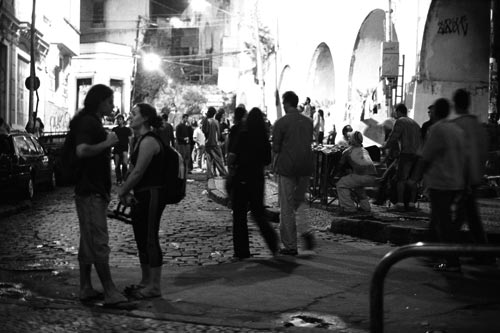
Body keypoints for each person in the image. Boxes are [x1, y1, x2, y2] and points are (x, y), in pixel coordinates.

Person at [70, 84, 128, 306]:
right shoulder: (89, 122)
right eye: (110, 101)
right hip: (90, 191)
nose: (112, 106)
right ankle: (110, 291)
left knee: (88, 241)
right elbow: (82, 150)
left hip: (92, 190)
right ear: (100, 101)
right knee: (98, 241)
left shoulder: (90, 121)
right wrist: (108, 142)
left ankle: (86, 287)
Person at [117, 103, 167, 298]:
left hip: (153, 194)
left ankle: (155, 286)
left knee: (150, 238)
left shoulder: (149, 141)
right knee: (140, 238)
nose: (130, 116)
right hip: (141, 195)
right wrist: (128, 192)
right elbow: (132, 168)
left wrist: (123, 189)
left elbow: (138, 171)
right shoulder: (138, 140)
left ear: (145, 118)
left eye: (134, 113)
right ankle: (145, 281)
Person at [227, 107, 278, 259]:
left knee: (240, 215)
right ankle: (272, 240)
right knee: (258, 213)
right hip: (257, 179)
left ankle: (242, 251)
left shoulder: (243, 134)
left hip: (242, 178)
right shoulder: (263, 138)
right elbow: (267, 160)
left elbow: (231, 156)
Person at [421, 98, 465, 272]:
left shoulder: (437, 129)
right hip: (456, 180)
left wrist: (417, 177)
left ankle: (451, 261)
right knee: (440, 219)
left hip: (441, 181)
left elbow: (427, 155)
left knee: (443, 221)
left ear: (437, 112)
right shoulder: (456, 128)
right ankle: (434, 252)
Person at [449, 89, 492, 263]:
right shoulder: (478, 127)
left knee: (456, 218)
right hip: (473, 177)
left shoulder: (457, 125)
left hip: (461, 178)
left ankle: (449, 257)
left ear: (455, 104)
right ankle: (484, 254)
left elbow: (458, 155)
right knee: (471, 216)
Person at [273, 91, 315, 255]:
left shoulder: (281, 123)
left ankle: (290, 245)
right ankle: (306, 231)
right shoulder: (308, 121)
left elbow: (276, 148)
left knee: (286, 206)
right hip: (305, 166)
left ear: (286, 104)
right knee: (300, 201)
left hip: (287, 167)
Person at [384, 103, 421, 212]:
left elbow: (394, 137)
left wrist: (385, 146)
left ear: (399, 111)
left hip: (407, 153)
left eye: (395, 111)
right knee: (412, 180)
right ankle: (411, 204)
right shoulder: (415, 123)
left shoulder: (400, 121)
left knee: (401, 179)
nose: (395, 113)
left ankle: (400, 203)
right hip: (418, 155)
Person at [336, 131, 377, 214]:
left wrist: (336, 174)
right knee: (358, 186)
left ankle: (348, 208)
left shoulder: (347, 151)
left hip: (361, 175)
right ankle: (365, 207)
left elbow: (340, 165)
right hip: (373, 176)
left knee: (340, 184)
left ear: (351, 140)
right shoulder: (365, 150)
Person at [202, 107, 227, 178]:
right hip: (214, 143)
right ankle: (223, 173)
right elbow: (218, 133)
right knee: (218, 159)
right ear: (214, 113)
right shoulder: (215, 122)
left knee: (209, 160)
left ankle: (209, 175)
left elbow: (204, 131)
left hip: (207, 143)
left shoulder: (206, 121)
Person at [111, 114, 132, 185]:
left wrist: (131, 150)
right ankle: (118, 179)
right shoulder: (115, 129)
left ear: (123, 120)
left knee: (125, 164)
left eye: (120, 119)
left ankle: (124, 178)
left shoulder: (127, 130)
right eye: (118, 119)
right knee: (117, 165)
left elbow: (129, 140)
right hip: (117, 148)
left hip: (124, 148)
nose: (119, 121)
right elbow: (112, 139)